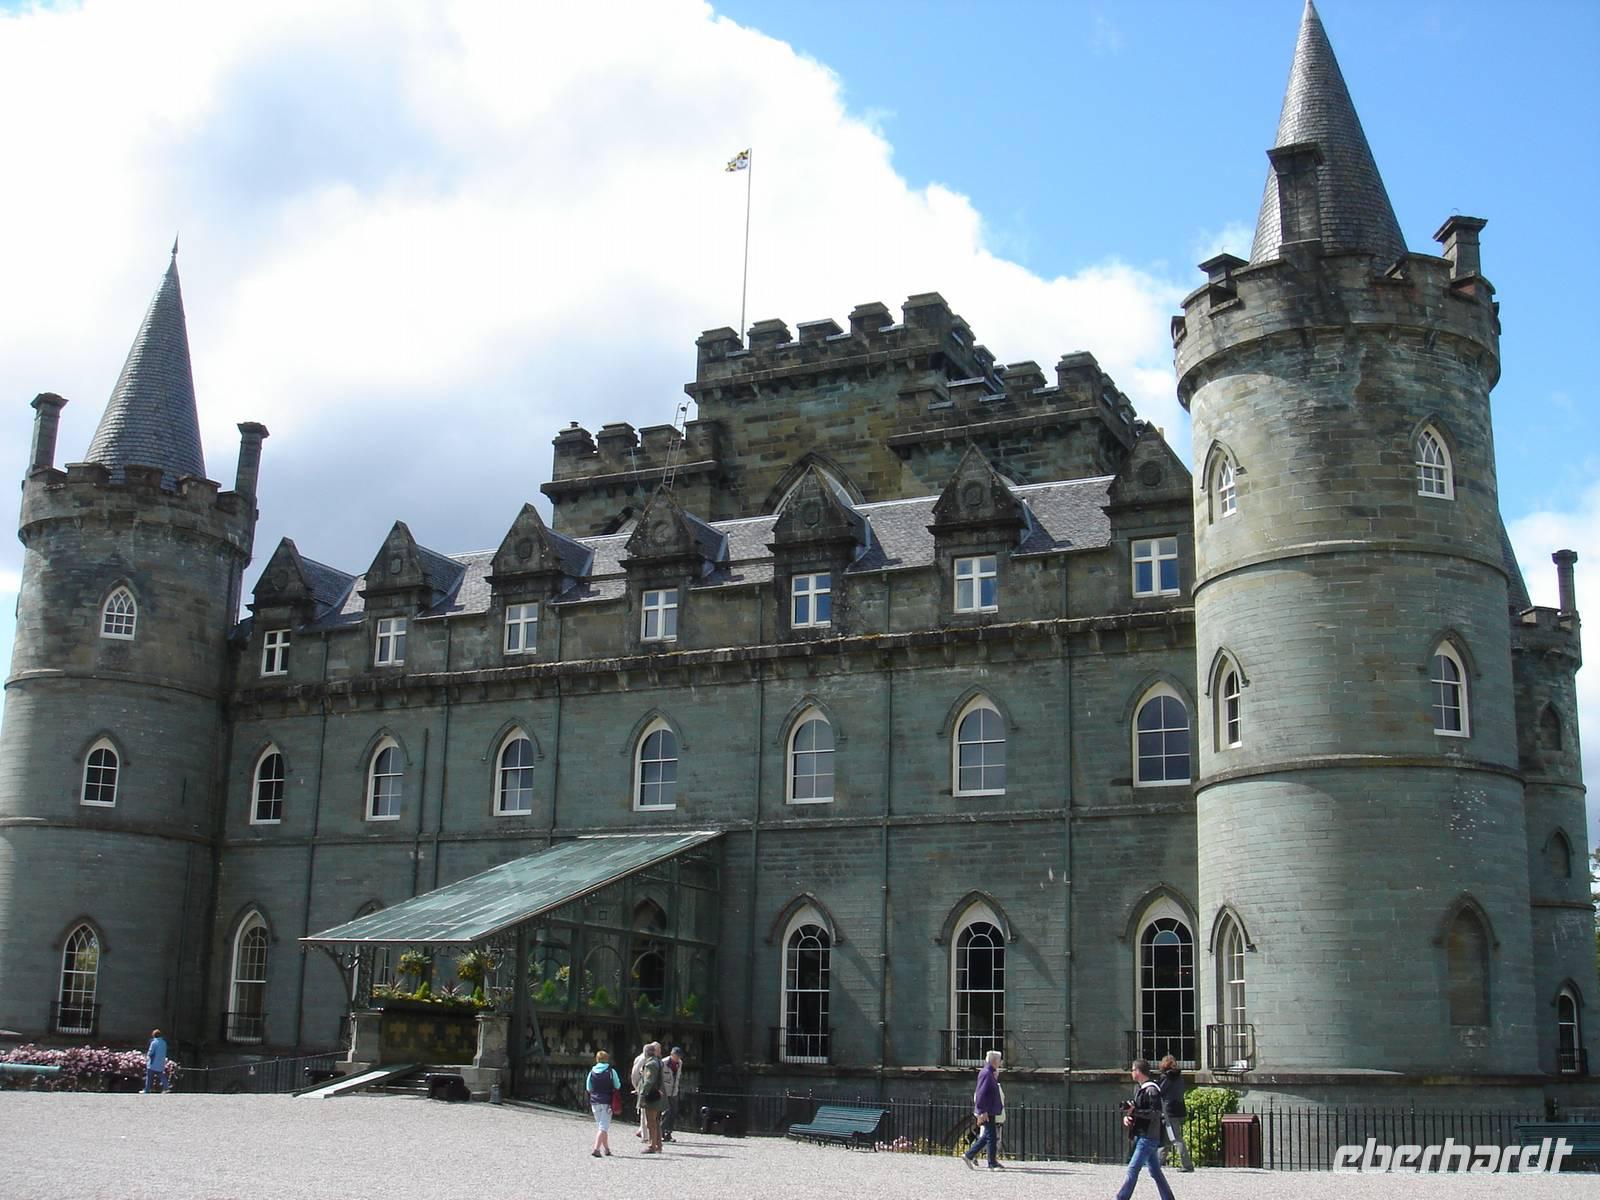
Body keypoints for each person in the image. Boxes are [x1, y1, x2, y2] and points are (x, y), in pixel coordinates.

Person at [1118, 1059, 1176, 1200]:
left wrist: (1135, 1111)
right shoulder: (1141, 1088)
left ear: (1138, 1071)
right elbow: (1140, 1110)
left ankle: (1121, 1198)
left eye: (1132, 1069)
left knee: (1133, 1169)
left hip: (1148, 1136)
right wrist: (1129, 1116)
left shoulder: (1151, 1089)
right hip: (1144, 1134)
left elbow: (1155, 1113)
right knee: (1155, 1171)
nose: (1131, 1072)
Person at [961, 1048, 1005, 1170]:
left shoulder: (989, 1073)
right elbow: (981, 1093)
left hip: (990, 1110)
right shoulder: (986, 1073)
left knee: (987, 1136)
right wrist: (982, 1111)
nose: (1000, 1063)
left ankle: (969, 1155)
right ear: (993, 1061)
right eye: (999, 1060)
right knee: (991, 1137)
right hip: (987, 1110)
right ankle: (992, 1163)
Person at [1156, 1054, 1193, 1172]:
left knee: (1176, 1138)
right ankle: (1157, 1163)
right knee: (1167, 1137)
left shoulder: (1166, 1077)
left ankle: (1187, 1164)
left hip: (1169, 1109)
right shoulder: (1180, 1077)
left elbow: (1159, 1092)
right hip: (1179, 1108)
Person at [584, 1050, 622, 1158]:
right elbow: (617, 1085)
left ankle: (606, 1149)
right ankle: (596, 1149)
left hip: (595, 1101)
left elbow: (588, 1088)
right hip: (607, 1101)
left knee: (601, 1126)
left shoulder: (592, 1072)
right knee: (603, 1127)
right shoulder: (611, 1071)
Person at [636, 1042, 666, 1153]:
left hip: (651, 1096)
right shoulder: (658, 1062)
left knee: (651, 1122)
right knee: (656, 1121)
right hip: (658, 1094)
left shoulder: (650, 1064)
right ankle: (658, 1144)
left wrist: (643, 1094)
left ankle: (652, 1146)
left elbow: (648, 1081)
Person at [660, 1045, 684, 1142]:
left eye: (679, 1056)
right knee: (666, 1112)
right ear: (672, 1054)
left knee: (674, 1111)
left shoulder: (680, 1063)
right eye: (676, 1056)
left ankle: (668, 1133)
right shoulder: (663, 1063)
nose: (678, 1058)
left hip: (674, 1091)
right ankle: (660, 1133)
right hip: (665, 1091)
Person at [142, 1030, 168, 1094]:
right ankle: (166, 1088)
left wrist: (147, 1056)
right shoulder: (164, 1042)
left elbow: (151, 1052)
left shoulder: (154, 1043)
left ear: (154, 1035)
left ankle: (147, 1090)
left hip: (153, 1062)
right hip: (161, 1062)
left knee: (149, 1077)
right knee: (161, 1075)